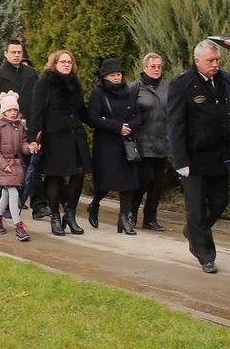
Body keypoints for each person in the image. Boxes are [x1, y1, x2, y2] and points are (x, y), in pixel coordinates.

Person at [167, 40, 230, 274]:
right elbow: (175, 124)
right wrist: (181, 161)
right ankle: (205, 255)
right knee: (197, 208)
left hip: (220, 155)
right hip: (194, 158)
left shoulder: (225, 80)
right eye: (210, 60)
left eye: (217, 60)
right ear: (197, 60)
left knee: (220, 201)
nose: (215, 64)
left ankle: (194, 230)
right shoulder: (183, 84)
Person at [0, 39, 45, 217]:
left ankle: (38, 204)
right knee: (11, 166)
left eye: (19, 52)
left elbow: (38, 101)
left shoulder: (31, 74)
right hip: (5, 129)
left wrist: (39, 125)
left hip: (27, 126)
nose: (16, 55)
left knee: (34, 164)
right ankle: (6, 202)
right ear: (6, 53)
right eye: (13, 52)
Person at [28, 50, 92, 237]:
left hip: (74, 135)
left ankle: (70, 214)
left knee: (79, 173)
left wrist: (105, 123)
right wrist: (33, 137)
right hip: (54, 135)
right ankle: (55, 216)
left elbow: (82, 111)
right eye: (63, 61)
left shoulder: (75, 84)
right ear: (54, 63)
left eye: (69, 62)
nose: (66, 64)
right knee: (55, 176)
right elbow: (37, 112)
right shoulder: (44, 84)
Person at [86, 58, 142, 235]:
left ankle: (124, 219)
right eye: (112, 75)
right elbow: (93, 118)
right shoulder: (98, 93)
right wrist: (117, 127)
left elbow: (139, 116)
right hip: (107, 143)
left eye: (118, 74)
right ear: (105, 77)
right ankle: (95, 204)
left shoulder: (129, 91)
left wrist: (130, 127)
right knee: (106, 182)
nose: (117, 78)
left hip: (126, 143)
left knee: (128, 182)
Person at [130, 52, 171, 231]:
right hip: (142, 142)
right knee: (144, 179)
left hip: (162, 141)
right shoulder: (135, 87)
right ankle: (130, 212)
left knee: (157, 184)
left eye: (159, 66)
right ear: (145, 67)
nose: (156, 69)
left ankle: (150, 218)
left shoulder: (167, 87)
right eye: (153, 66)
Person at [0, 91, 31, 241]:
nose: (12, 113)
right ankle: (18, 225)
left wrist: (29, 148)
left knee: (6, 192)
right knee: (13, 193)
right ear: (3, 111)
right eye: (9, 110)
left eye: (14, 110)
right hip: (4, 164)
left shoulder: (20, 126)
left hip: (16, 164)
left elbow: (22, 145)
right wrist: (3, 164)